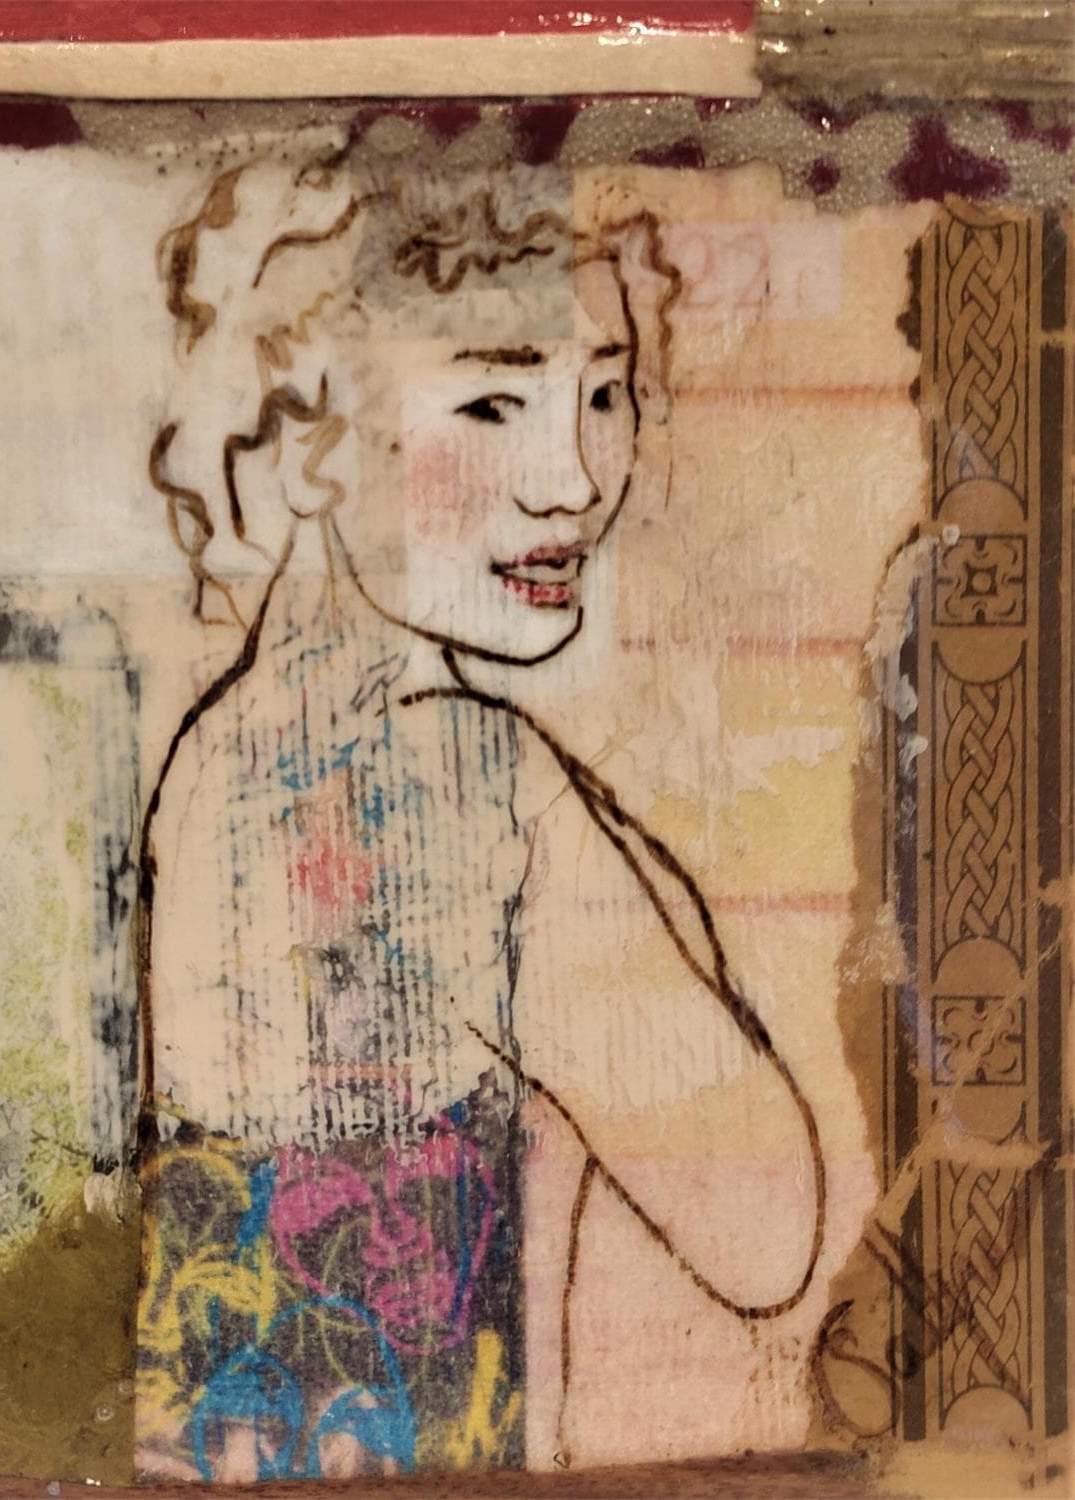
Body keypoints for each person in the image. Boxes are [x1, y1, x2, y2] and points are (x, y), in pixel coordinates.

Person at [132, 149, 825, 1483]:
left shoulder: (218, 756)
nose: (574, 479)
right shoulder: (461, 773)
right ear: (317, 430)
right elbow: (765, 1226)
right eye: (495, 402)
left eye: (604, 392)